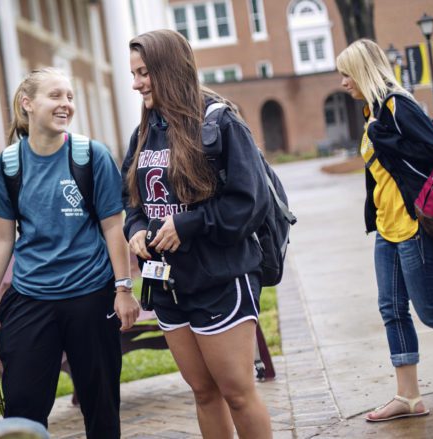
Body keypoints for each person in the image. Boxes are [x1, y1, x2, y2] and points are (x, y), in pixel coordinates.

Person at [0, 67, 140, 438]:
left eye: (70, 96)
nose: (66, 104)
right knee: (23, 409)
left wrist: (123, 289)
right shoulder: (6, 166)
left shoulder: (91, 156)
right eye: (56, 96)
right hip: (32, 298)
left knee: (102, 406)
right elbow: (2, 239)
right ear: (27, 104)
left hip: (92, 296)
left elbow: (113, 226)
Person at [123, 29, 272, 438]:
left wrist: (188, 224)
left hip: (219, 278)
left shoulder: (219, 121)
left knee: (237, 392)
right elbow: (133, 202)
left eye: (143, 73)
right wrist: (136, 230)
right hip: (169, 286)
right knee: (203, 393)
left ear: (168, 69)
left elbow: (249, 204)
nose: (135, 83)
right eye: (133, 74)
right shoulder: (144, 132)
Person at [336, 39, 433, 422]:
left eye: (346, 74)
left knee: (431, 311)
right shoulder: (373, 110)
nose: (342, 83)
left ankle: (409, 395)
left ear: (362, 71)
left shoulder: (396, 106)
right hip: (387, 227)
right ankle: (409, 397)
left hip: (413, 225)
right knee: (391, 309)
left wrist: (384, 136)